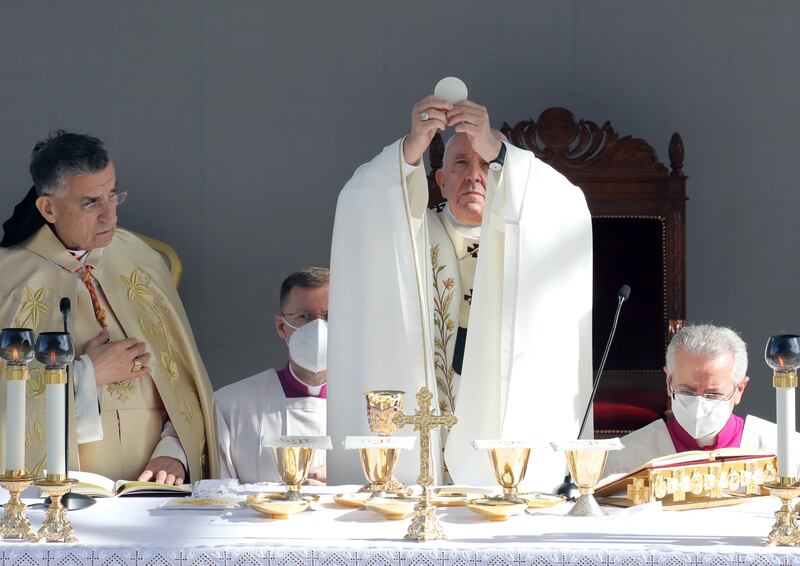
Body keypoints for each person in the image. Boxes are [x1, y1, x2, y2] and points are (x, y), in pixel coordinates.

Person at [327, 96, 593, 490]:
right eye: (461, 164)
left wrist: (500, 150)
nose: (474, 176)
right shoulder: (411, 235)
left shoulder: (526, 229)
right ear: (440, 180)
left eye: (486, 164)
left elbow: (570, 206)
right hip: (429, 399)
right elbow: (362, 201)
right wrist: (411, 146)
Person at [0, 130, 218, 484]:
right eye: (91, 203)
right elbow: (5, 406)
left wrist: (175, 452)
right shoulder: (7, 281)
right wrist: (87, 375)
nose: (109, 216)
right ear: (48, 208)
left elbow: (182, 380)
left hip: (155, 488)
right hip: (61, 494)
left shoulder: (141, 261)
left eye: (113, 194)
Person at [605, 324, 800, 477]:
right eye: (687, 391)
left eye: (713, 394)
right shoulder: (624, 457)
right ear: (668, 382)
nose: (698, 406)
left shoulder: (784, 449)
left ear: (739, 389)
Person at [215, 267, 328, 483]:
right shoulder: (231, 404)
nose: (319, 328)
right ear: (281, 326)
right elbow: (221, 495)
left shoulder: (369, 408)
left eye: (329, 316)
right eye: (305, 316)